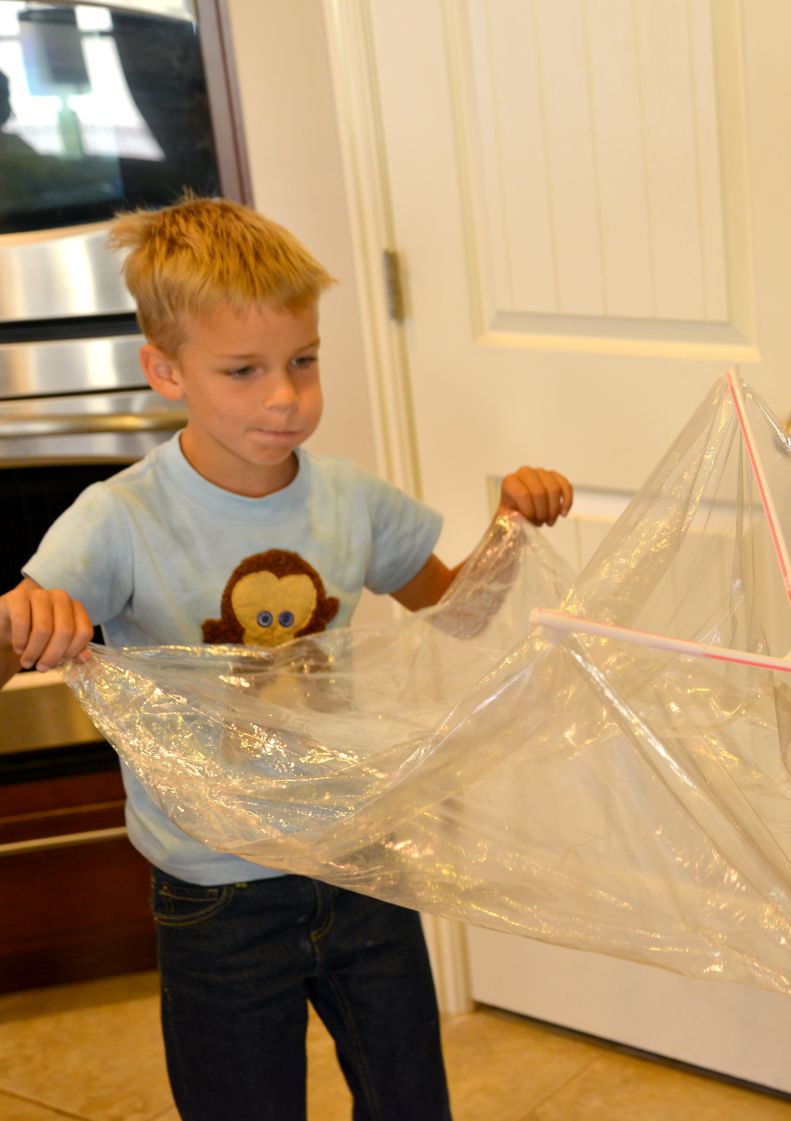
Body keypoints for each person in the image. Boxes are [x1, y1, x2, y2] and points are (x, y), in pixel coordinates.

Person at [0, 197, 573, 1121]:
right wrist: (22, 617)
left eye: (303, 361)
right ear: (165, 371)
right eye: (243, 370)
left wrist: (511, 523)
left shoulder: (353, 501)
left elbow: (457, 612)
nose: (284, 395)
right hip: (216, 888)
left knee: (410, 1103)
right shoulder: (120, 519)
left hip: (361, 856)